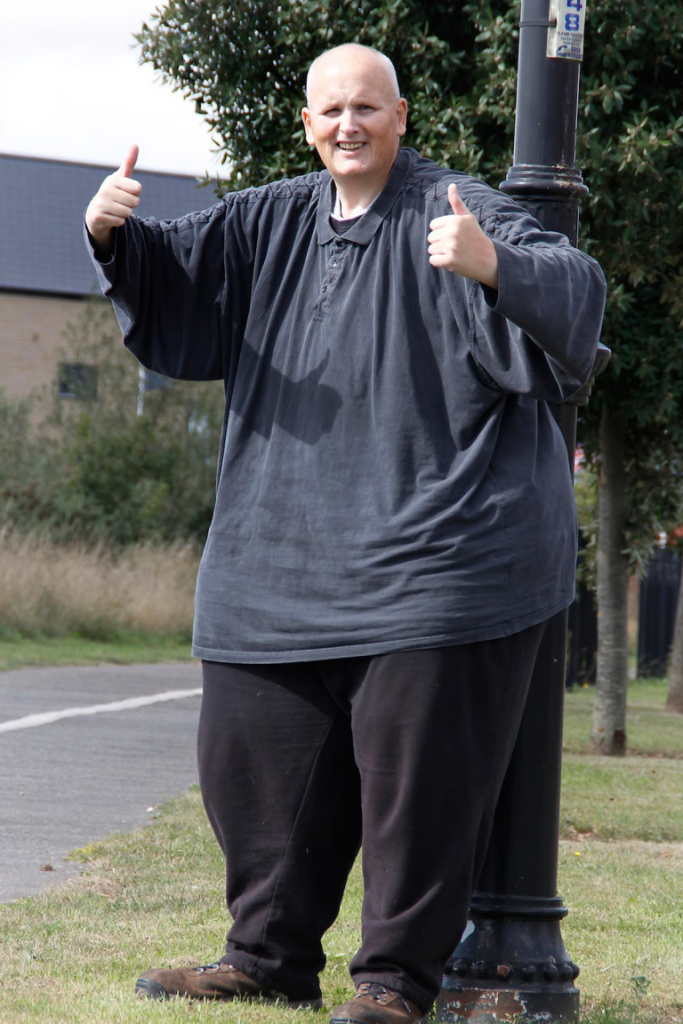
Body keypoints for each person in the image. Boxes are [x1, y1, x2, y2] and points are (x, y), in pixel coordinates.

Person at [85, 43, 606, 1024]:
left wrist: (492, 266)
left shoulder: (457, 207)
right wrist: (110, 233)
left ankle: (393, 982)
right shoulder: (268, 218)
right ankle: (266, 957)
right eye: (329, 110)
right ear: (307, 124)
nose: (347, 124)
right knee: (252, 766)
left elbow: (573, 287)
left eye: (366, 107)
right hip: (278, 562)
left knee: (418, 795)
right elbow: (171, 277)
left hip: (438, 562)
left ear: (400, 116)